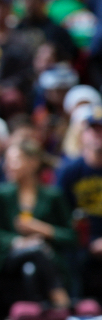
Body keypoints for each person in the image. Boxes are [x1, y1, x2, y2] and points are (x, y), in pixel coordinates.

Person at [0, 140, 75, 310]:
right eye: (6, 160)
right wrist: (18, 242)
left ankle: (36, 317)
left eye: (15, 160)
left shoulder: (53, 195)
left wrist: (41, 229)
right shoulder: (1, 194)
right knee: (36, 249)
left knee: (32, 268)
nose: (8, 166)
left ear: (33, 162)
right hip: (9, 257)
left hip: (48, 258)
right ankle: (60, 297)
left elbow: (72, 237)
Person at [57, 106, 102, 299]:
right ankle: (77, 315)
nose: (98, 136)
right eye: (93, 130)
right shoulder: (69, 171)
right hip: (80, 242)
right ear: (83, 135)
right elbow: (60, 214)